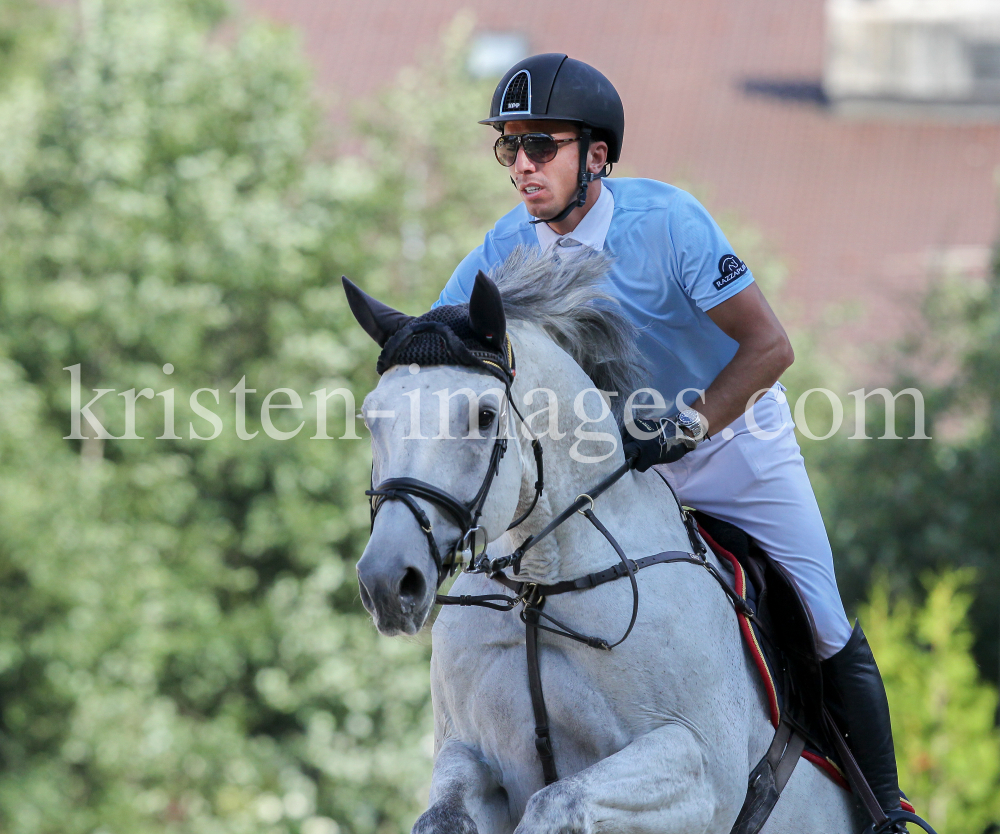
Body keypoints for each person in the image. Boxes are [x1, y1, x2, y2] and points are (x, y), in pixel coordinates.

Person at [433, 53, 905, 828]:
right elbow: (439, 334)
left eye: (540, 145)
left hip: (732, 446)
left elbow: (771, 348)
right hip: (620, 469)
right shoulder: (504, 246)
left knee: (820, 617)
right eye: (509, 147)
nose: (521, 166)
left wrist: (689, 426)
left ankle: (887, 814)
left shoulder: (670, 223)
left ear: (595, 155)